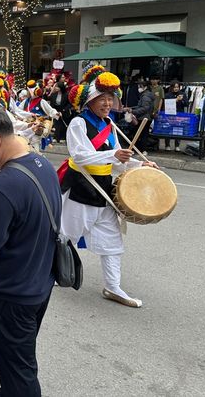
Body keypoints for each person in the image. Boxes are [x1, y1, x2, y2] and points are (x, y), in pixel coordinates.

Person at [0, 104, 60, 397]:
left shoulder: (4, 184)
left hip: (11, 293)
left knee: (20, 370)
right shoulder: (42, 165)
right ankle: (8, 391)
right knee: (18, 357)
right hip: (39, 280)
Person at [61, 66, 158, 308]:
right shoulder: (78, 123)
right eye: (101, 99)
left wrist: (140, 164)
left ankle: (113, 287)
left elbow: (117, 160)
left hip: (104, 189)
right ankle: (46, 271)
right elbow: (81, 156)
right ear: (90, 101)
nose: (107, 103)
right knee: (65, 236)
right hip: (81, 187)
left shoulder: (110, 125)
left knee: (113, 242)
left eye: (110, 99)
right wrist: (113, 154)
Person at [163, 81, 186, 151]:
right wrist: (175, 100)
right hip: (169, 115)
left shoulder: (183, 94)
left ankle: (177, 146)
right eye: (174, 87)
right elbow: (166, 104)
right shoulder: (167, 95)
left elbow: (187, 104)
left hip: (179, 114)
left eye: (177, 87)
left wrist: (182, 100)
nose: (176, 88)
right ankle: (167, 145)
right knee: (168, 130)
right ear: (171, 87)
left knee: (178, 130)